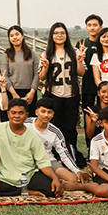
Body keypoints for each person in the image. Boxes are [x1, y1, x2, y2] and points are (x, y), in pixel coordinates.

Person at [0, 101, 64, 198]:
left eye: (21, 113)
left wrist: (55, 178)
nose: (17, 116)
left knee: (54, 191)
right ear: (8, 114)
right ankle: (26, 191)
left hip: (28, 174)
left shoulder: (33, 136)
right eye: (13, 113)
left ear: (26, 115)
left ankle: (20, 189)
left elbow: (43, 162)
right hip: (5, 175)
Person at [38, 22, 88, 166]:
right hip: (54, 94)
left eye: (62, 33)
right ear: (51, 36)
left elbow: (81, 73)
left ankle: (71, 156)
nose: (59, 35)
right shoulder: (47, 53)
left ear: (66, 35)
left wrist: (79, 61)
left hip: (71, 94)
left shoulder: (74, 51)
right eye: (56, 33)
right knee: (54, 127)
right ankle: (55, 158)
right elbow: (41, 77)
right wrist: (45, 68)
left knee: (70, 128)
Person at [27, 98, 98, 194]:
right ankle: (51, 181)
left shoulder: (55, 132)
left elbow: (64, 154)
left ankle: (58, 182)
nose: (46, 115)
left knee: (73, 180)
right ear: (36, 112)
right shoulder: (26, 124)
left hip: (48, 160)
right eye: (43, 111)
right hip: (27, 159)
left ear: (53, 114)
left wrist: (76, 170)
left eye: (49, 112)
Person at [0, 25, 39, 110]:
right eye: (11, 35)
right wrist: (14, 94)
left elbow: (37, 74)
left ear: (22, 35)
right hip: (12, 91)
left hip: (29, 93)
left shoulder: (32, 54)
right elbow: (5, 76)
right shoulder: (6, 55)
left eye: (17, 34)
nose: (15, 37)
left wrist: (32, 92)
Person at [79, 14, 104, 119]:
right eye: (89, 25)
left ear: (100, 27)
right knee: (88, 113)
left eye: (95, 25)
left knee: (103, 113)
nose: (92, 27)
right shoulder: (81, 43)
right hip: (87, 84)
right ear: (86, 27)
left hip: (103, 84)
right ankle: (88, 135)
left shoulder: (105, 42)